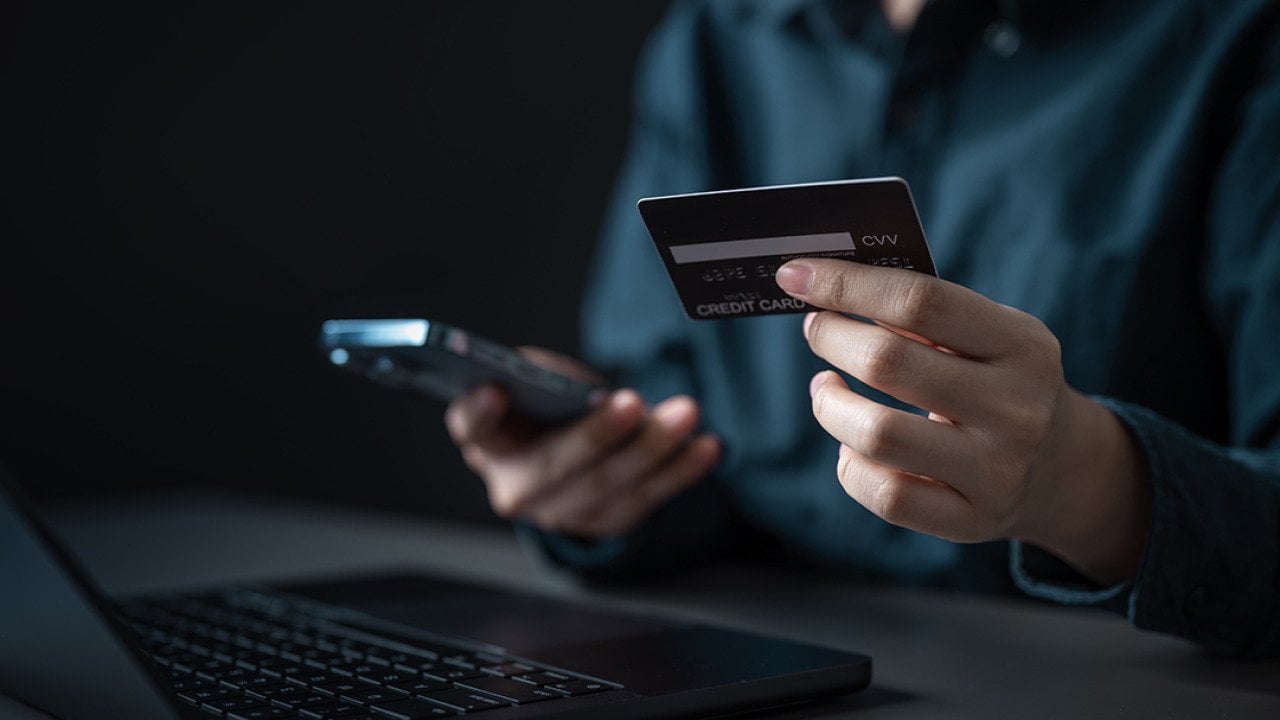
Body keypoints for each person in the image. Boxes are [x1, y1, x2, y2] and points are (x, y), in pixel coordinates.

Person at [445, 0, 1280, 658]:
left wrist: (1084, 489)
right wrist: (598, 479)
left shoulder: (1237, 33)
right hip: (749, 661)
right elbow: (686, 447)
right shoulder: (717, 35)